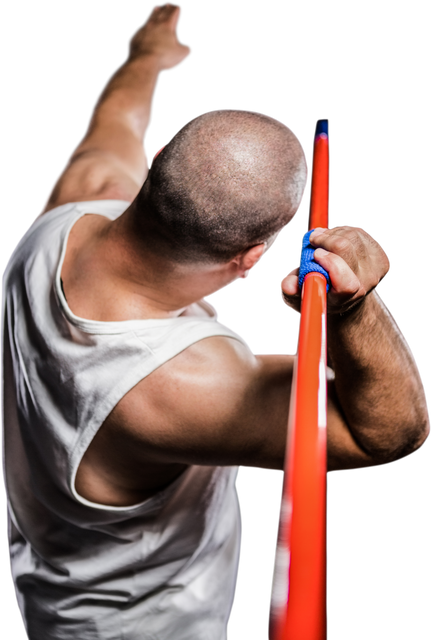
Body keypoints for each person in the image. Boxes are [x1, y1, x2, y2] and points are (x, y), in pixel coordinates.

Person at [0, 2, 429, 639]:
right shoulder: (172, 384)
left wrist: (146, 57)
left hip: (52, 579)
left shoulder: (70, 210)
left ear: (159, 157)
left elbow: (115, 118)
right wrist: (353, 306)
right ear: (251, 260)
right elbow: (388, 433)